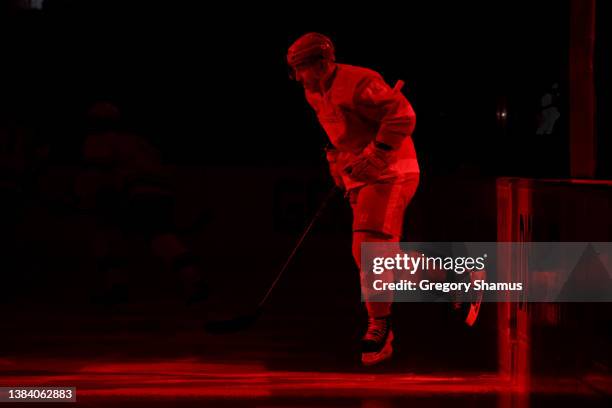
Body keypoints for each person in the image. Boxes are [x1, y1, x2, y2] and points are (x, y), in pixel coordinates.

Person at [287, 33, 420, 366]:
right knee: (373, 255)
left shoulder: (360, 81)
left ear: (321, 63)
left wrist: (378, 153)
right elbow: (340, 133)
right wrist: (337, 161)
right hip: (361, 177)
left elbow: (402, 115)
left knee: (368, 251)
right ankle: (453, 279)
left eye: (301, 69)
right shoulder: (312, 91)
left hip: (391, 172)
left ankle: (380, 326)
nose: (299, 77)